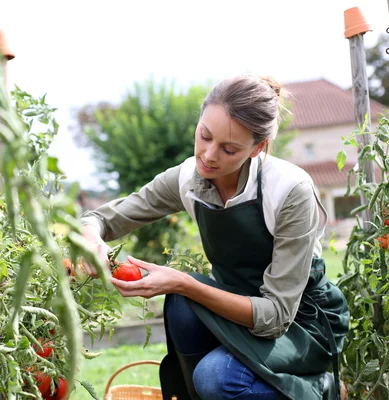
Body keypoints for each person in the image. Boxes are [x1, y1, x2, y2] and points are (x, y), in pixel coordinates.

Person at [80, 74, 350, 400]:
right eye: (204, 136)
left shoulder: (290, 190)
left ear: (257, 148)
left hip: (298, 325)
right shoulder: (189, 179)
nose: (208, 155)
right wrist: (91, 240)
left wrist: (183, 282)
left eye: (229, 149)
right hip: (237, 309)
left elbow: (276, 316)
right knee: (181, 305)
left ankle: (319, 389)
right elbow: (99, 218)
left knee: (214, 377)